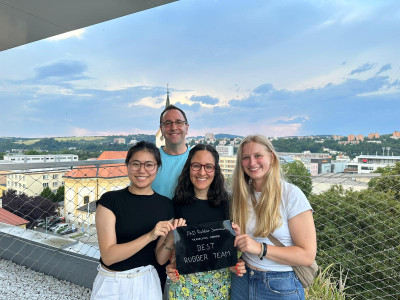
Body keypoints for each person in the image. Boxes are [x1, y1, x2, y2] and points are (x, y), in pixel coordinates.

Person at [230, 135, 317, 300]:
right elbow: (243, 245)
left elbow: (307, 255)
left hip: (280, 284)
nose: (252, 162)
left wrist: (260, 248)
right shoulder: (240, 196)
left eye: (258, 156)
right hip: (243, 279)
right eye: (246, 158)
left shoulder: (291, 195)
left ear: (271, 157)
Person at [91, 141, 179, 300]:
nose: (142, 170)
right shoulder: (110, 201)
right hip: (112, 282)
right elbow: (109, 256)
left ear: (157, 168)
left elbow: (160, 258)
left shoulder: (166, 205)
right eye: (136, 164)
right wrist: (150, 236)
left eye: (149, 165)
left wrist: (172, 236)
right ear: (127, 166)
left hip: (147, 282)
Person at [165, 144, 246, 300]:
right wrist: (172, 266)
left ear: (215, 170)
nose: (202, 172)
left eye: (208, 167)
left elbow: (232, 251)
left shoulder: (230, 204)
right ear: (188, 168)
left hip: (219, 289)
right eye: (196, 166)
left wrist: (236, 264)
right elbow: (171, 255)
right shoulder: (175, 204)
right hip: (184, 289)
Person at [152, 104, 190, 200]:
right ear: (161, 128)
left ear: (187, 127)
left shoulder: (197, 158)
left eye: (179, 122)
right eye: (168, 123)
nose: (173, 127)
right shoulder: (151, 159)